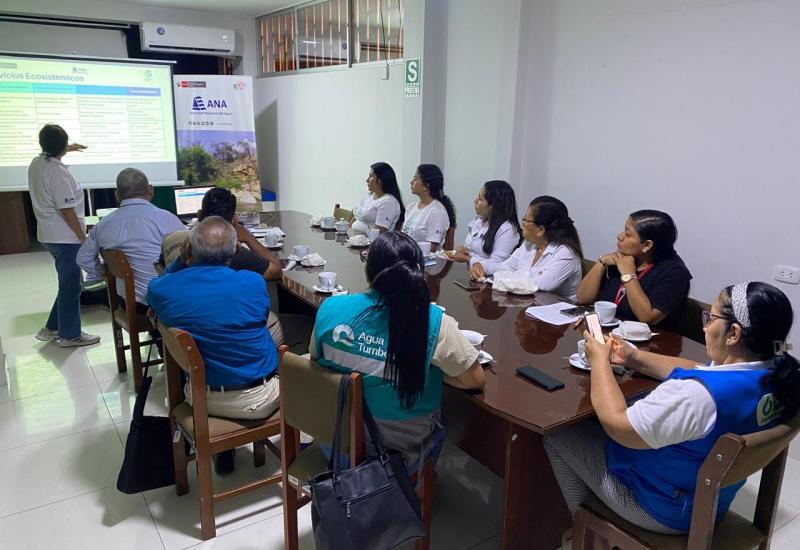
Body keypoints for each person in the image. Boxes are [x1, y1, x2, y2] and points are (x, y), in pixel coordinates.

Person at [544, 281, 800, 536]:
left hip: (660, 508)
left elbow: (619, 427)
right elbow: (696, 370)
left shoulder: (698, 396)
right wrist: (634, 358)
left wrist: (599, 361)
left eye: (710, 319)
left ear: (733, 334)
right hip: (707, 503)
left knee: (559, 432)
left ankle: (585, 532)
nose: (705, 326)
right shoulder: (778, 373)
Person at [310, 231, 485, 470]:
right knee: (443, 423)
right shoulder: (432, 320)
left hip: (335, 442)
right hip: (397, 456)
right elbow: (475, 379)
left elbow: (315, 361)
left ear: (368, 270)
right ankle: (414, 490)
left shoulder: (330, 308)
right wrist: (423, 370)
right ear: (418, 271)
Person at [148, 216, 280, 474]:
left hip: (200, 398)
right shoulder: (252, 282)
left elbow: (159, 281)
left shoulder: (162, 290)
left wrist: (180, 260)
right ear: (234, 251)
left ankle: (224, 450)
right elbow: (261, 318)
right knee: (287, 345)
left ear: (189, 250)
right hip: (260, 397)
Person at [160, 188, 301, 348]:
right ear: (233, 220)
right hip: (236, 349)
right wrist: (247, 236)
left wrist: (181, 261)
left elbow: (161, 274)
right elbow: (275, 272)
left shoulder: (170, 241)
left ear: (199, 216)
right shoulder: (245, 270)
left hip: (188, 341)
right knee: (306, 325)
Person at [28, 124, 100, 347]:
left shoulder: (37, 162)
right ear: (60, 146)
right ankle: (70, 335)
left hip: (48, 234)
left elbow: (53, 150)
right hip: (65, 236)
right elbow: (66, 209)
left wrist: (68, 147)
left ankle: (51, 327)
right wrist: (83, 236)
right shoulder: (57, 173)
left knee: (68, 282)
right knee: (71, 284)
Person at [77, 168, 184, 309]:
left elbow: (82, 258)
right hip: (166, 301)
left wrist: (108, 272)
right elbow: (190, 254)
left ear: (117, 195)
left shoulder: (103, 225)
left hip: (130, 304)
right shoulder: (168, 219)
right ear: (151, 190)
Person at [576, 209, 692, 329]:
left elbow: (647, 318)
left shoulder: (675, 273)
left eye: (628, 234)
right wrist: (601, 262)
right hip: (611, 334)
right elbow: (582, 299)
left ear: (647, 245)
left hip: (651, 344)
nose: (620, 236)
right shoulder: (625, 257)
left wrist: (628, 274)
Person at [470, 196, 583, 301]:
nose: (522, 224)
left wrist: (503, 277)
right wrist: (481, 266)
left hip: (557, 315)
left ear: (540, 230)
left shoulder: (565, 253)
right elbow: (506, 267)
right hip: (529, 305)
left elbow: (537, 285)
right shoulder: (529, 244)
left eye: (525, 220)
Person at [447, 180, 522, 270]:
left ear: (493, 205)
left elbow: (497, 264)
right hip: (472, 274)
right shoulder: (479, 220)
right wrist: (464, 250)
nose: (475, 201)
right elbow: (471, 248)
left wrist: (467, 258)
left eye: (480, 199)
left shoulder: (508, 229)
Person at [401, 164, 456, 252]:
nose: (411, 182)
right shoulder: (411, 207)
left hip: (426, 262)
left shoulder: (437, 211)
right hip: (406, 256)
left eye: (415, 179)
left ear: (426, 186)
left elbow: (431, 249)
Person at [350, 162, 405, 234]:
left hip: (369, 243)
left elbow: (378, 233)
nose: (367, 180)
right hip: (354, 238)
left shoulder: (388, 202)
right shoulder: (369, 196)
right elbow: (356, 216)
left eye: (371, 176)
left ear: (381, 180)